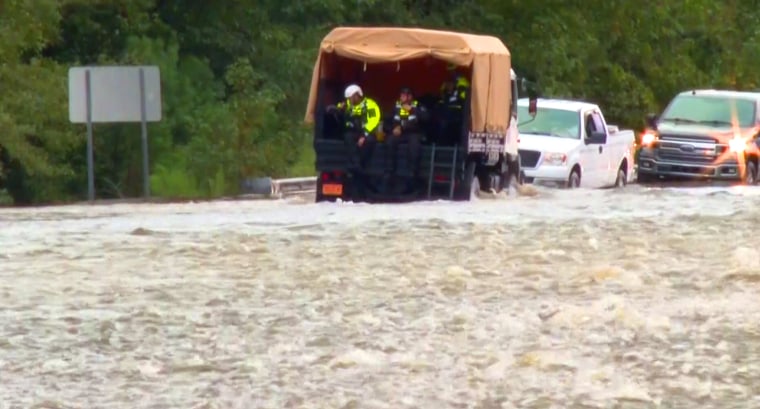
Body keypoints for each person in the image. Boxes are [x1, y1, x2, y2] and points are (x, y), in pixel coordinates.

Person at [335, 84, 382, 171]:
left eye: (351, 97)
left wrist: (363, 136)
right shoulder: (349, 104)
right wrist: (339, 108)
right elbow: (339, 106)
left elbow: (373, 121)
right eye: (348, 98)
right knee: (348, 137)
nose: (349, 100)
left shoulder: (370, 105)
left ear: (357, 95)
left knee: (369, 142)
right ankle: (356, 164)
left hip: (368, 132)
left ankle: (363, 164)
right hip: (355, 132)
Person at [388, 86, 424, 179]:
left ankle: (413, 172)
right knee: (390, 141)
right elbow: (387, 120)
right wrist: (394, 128)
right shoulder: (396, 106)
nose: (401, 98)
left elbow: (426, 117)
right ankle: (390, 171)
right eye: (401, 95)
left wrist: (412, 110)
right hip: (399, 133)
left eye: (404, 96)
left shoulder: (417, 105)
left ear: (410, 97)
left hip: (413, 133)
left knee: (415, 145)